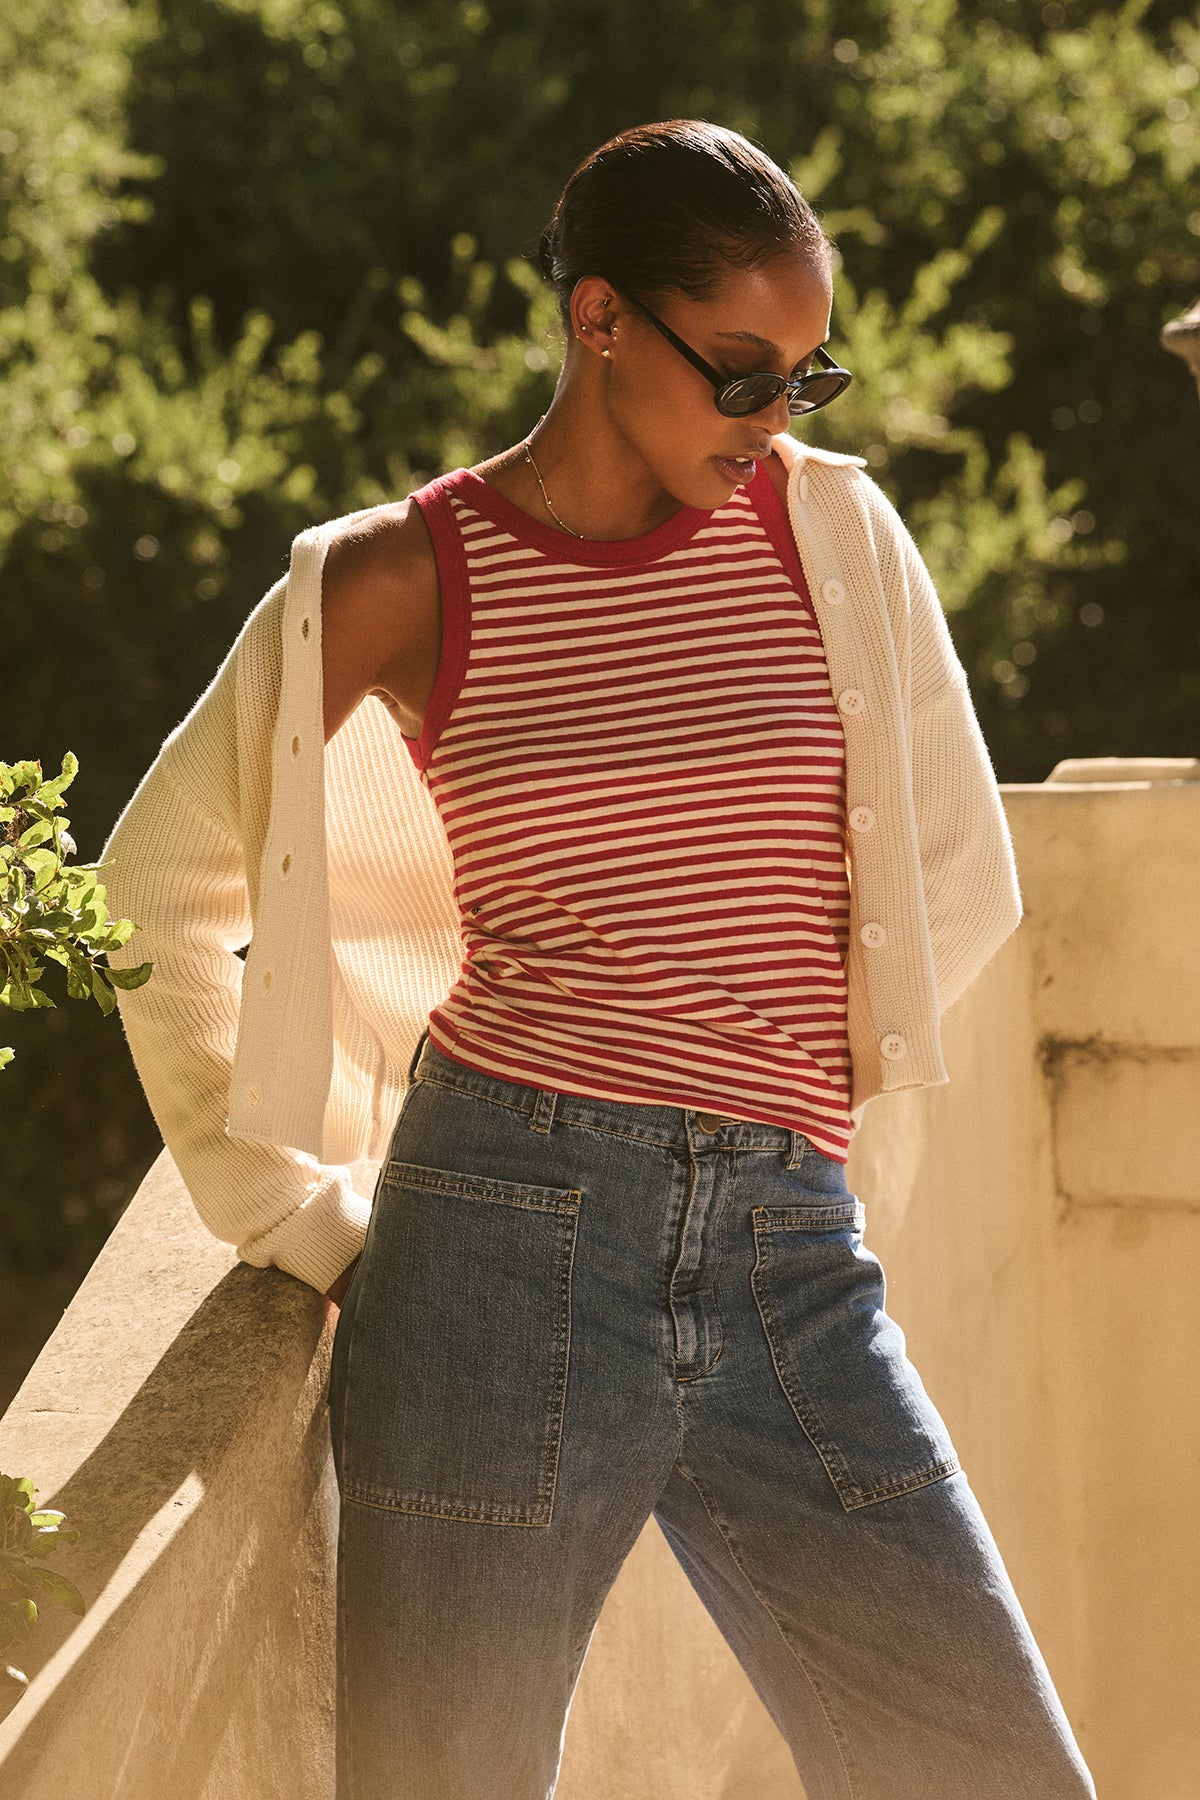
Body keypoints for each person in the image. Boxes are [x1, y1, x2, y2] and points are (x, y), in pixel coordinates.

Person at [100, 120, 1097, 1798]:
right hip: (504, 1242)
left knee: (989, 1761)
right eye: (739, 372)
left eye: (805, 377)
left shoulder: (833, 541)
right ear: (602, 320)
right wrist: (294, 1210)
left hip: (791, 1248)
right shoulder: (401, 577)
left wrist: (805, 1118)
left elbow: (946, 874)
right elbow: (153, 895)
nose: (773, 417)